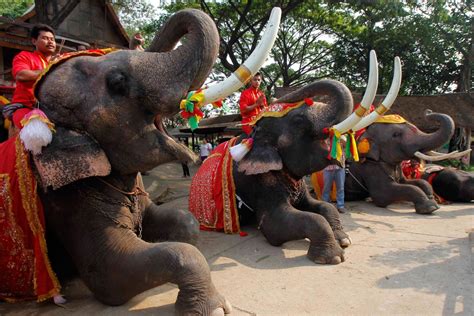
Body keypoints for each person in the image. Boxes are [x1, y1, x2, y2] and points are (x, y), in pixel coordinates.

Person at [8, 24, 56, 130]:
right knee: (37, 134)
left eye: (52, 39)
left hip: (52, 110)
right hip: (26, 107)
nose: (50, 42)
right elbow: (21, 75)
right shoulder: (25, 56)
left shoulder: (57, 62)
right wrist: (52, 70)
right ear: (34, 41)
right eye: (45, 38)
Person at [322, 136, 347, 213]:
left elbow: (346, 145)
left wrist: (341, 139)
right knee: (326, 188)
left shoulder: (342, 137)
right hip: (328, 168)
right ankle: (326, 206)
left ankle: (341, 206)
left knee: (341, 188)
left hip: (340, 167)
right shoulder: (324, 139)